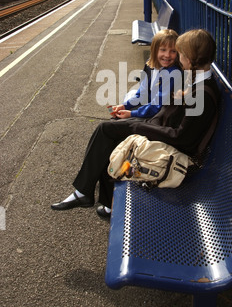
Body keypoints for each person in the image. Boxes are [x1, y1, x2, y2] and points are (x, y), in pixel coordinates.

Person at [51, 29, 219, 218]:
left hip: (174, 149)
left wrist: (137, 126)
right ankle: (98, 198)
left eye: (180, 53)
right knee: (110, 132)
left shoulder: (202, 92)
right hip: (161, 127)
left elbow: (182, 138)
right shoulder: (196, 78)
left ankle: (87, 194)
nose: (178, 58)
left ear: (189, 57)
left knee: (107, 131)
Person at [111, 29, 180, 120]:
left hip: (158, 116)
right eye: (163, 50)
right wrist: (124, 106)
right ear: (155, 50)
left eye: (173, 51)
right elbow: (141, 94)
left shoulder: (172, 73)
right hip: (147, 107)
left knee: (110, 125)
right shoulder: (150, 65)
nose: (167, 55)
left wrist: (132, 113)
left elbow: (157, 106)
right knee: (116, 117)